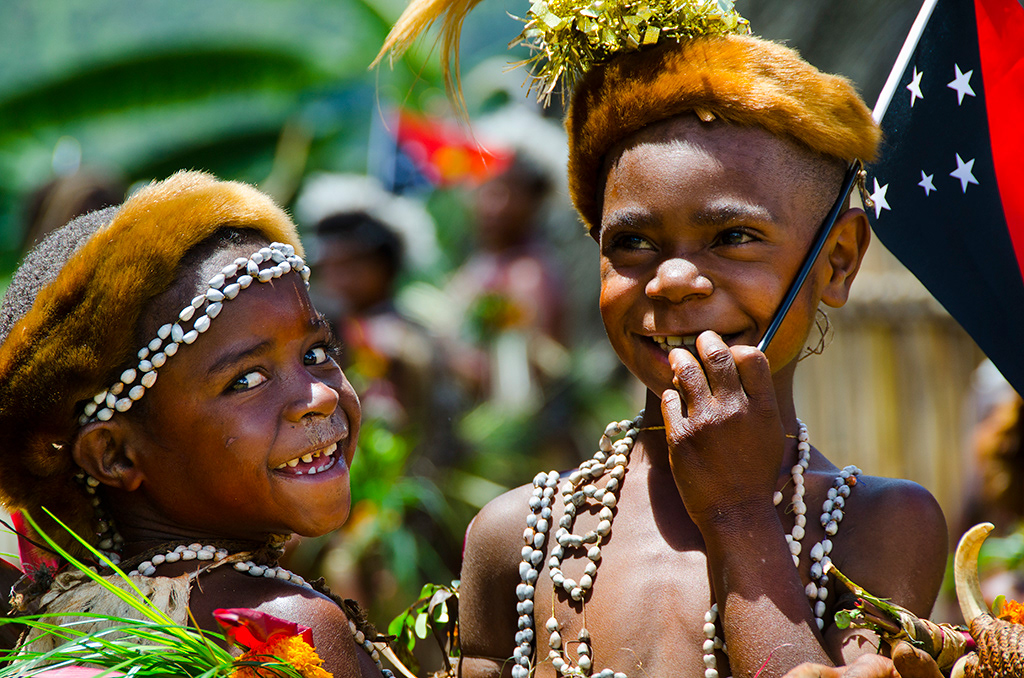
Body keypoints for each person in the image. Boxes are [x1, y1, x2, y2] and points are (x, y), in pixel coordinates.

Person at [376, 2, 949, 677]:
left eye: (732, 237)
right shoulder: (517, 536)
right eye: (633, 243)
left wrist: (737, 512)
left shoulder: (879, 524)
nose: (672, 279)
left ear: (839, 259)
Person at [0, 171, 390, 678]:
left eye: (317, 352)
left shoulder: (57, 625)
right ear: (115, 455)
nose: (317, 396)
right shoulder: (276, 631)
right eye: (246, 380)